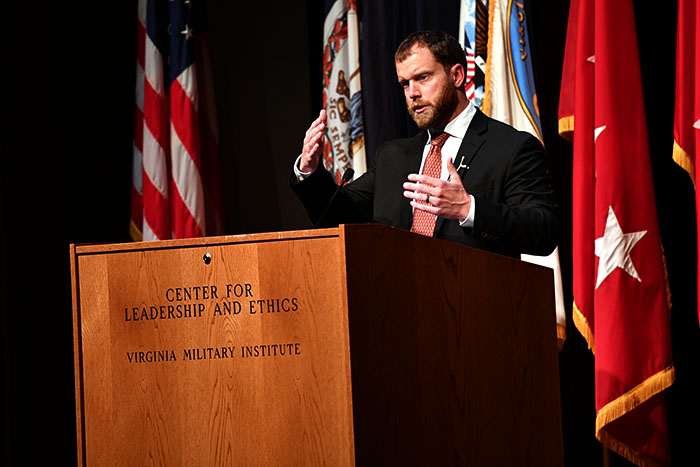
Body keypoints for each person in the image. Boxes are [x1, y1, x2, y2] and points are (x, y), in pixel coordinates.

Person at [290, 30, 558, 259]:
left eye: (423, 78)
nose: (412, 93)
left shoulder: (511, 148)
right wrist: (309, 172)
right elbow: (337, 214)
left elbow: (544, 232)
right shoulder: (393, 156)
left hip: (475, 308)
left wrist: (469, 209)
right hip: (399, 309)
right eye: (405, 83)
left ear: (457, 76)